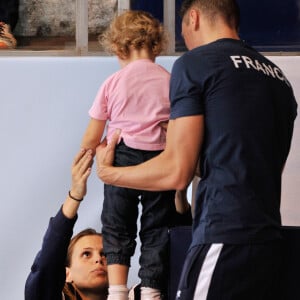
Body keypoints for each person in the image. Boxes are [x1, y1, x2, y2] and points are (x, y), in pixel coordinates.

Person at [95, 1, 298, 300]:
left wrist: (110, 173)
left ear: (194, 17)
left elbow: (177, 172)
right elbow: (258, 167)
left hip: (223, 237)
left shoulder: (197, 63)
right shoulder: (278, 79)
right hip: (269, 243)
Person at [80, 10, 181, 300]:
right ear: (156, 45)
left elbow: (91, 137)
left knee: (117, 225)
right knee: (157, 227)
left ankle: (117, 291)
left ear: (119, 47)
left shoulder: (113, 82)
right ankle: (151, 289)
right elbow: (180, 128)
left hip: (121, 156)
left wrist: (97, 151)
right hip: (159, 160)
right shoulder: (171, 81)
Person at [24, 149, 192, 300]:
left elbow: (181, 261)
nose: (98, 259)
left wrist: (180, 197)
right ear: (67, 274)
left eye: (105, 254)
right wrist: (75, 195)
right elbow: (46, 265)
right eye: (86, 255)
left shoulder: (143, 295)